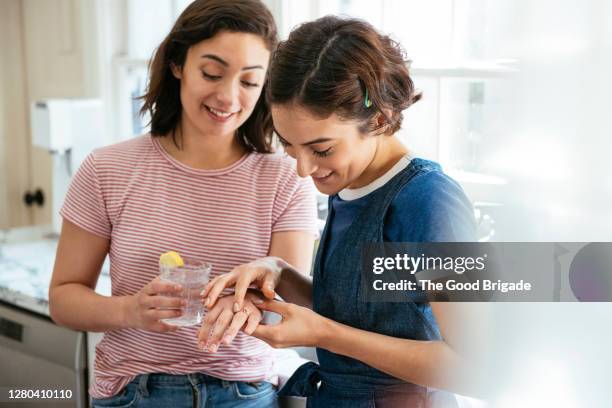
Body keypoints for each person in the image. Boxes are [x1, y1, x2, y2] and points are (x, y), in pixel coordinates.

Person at [48, 1, 318, 407]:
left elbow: (286, 307)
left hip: (242, 394)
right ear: (177, 64)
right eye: (212, 73)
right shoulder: (107, 168)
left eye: (249, 82)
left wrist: (246, 306)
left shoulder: (285, 178)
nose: (228, 97)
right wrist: (130, 311)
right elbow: (63, 299)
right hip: (133, 393)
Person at [200, 16, 478, 407]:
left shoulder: (429, 201)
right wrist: (281, 275)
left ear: (379, 119)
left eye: (322, 149)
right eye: (289, 146)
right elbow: (371, 312)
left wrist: (324, 334)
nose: (303, 168)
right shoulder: (353, 186)